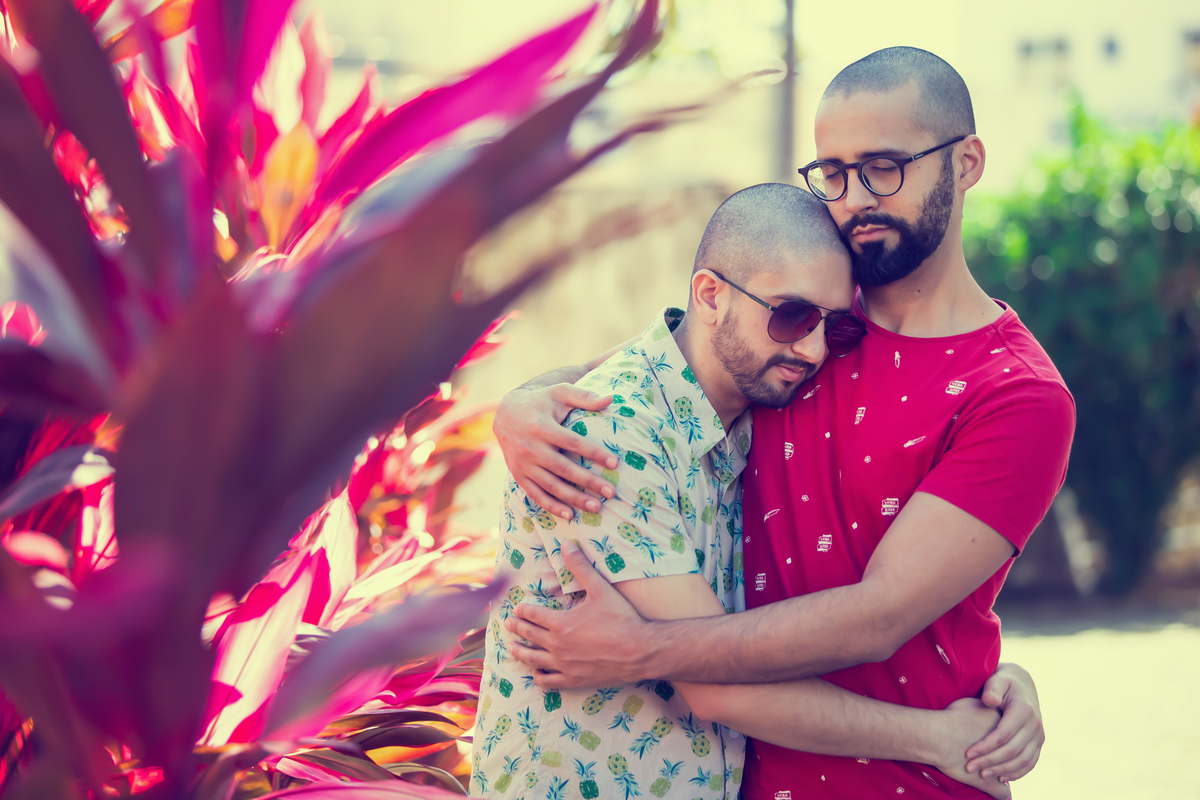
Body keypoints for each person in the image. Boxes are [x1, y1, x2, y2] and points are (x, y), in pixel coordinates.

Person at [492, 47, 1072, 799]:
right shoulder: (813, 322)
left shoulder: (1011, 392)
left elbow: (879, 618)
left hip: (922, 778)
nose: (854, 198)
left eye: (884, 168)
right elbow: (655, 368)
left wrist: (643, 650)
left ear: (966, 163)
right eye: (833, 172)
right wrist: (525, 400)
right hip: (750, 776)